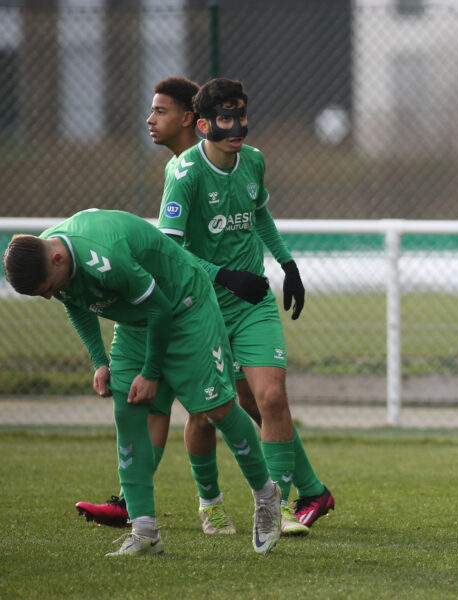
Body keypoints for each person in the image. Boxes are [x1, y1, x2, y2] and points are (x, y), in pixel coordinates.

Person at [2, 209, 283, 556]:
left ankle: (267, 497)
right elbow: (73, 302)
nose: (48, 296)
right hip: (137, 319)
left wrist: (151, 373)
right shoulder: (47, 255)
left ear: (57, 258)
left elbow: (160, 309)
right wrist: (100, 362)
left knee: (217, 408)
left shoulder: (104, 256)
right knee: (127, 408)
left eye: (47, 289)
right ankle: (145, 531)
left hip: (184, 306)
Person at [157, 77, 333, 536]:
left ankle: (278, 506)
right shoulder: (185, 174)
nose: (238, 126)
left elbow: (259, 214)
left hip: (252, 304)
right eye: (226, 117)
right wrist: (224, 276)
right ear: (202, 125)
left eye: (242, 115)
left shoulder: (253, 161)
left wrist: (288, 264)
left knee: (271, 398)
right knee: (205, 413)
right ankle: (210, 502)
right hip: (201, 308)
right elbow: (168, 251)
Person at [75, 77, 239, 536]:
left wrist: (231, 278)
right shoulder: (178, 168)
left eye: (160, 111)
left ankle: (270, 496)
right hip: (163, 305)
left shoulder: (207, 164)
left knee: (234, 407)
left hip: (213, 305)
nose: (149, 119)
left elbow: (198, 246)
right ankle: (134, 503)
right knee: (154, 403)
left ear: (189, 118)